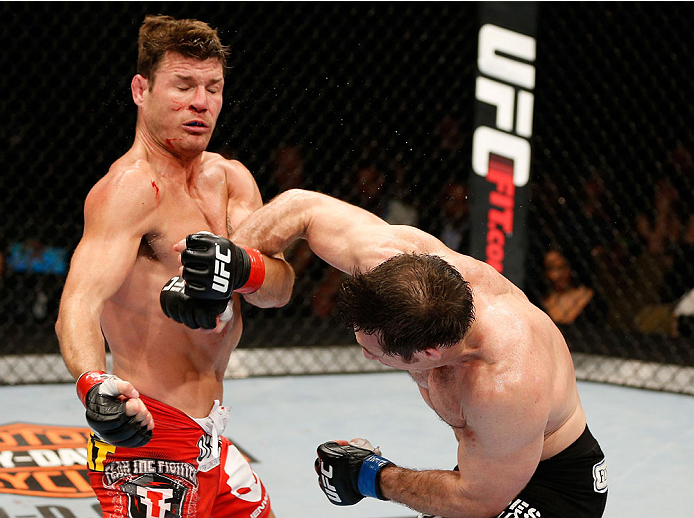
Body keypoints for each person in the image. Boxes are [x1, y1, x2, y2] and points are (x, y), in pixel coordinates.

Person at [177, 189, 608, 518]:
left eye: (378, 354)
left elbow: (477, 498)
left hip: (555, 486)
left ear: (430, 352)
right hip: (493, 462)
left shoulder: (505, 382)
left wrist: (372, 476)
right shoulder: (397, 263)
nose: (366, 357)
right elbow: (300, 207)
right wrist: (226, 270)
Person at [55, 15, 293, 518]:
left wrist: (243, 267)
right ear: (141, 90)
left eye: (213, 88)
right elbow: (78, 303)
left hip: (212, 438)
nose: (200, 103)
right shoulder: (129, 191)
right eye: (182, 86)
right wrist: (93, 384)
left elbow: (279, 287)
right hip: (149, 437)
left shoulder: (230, 180)